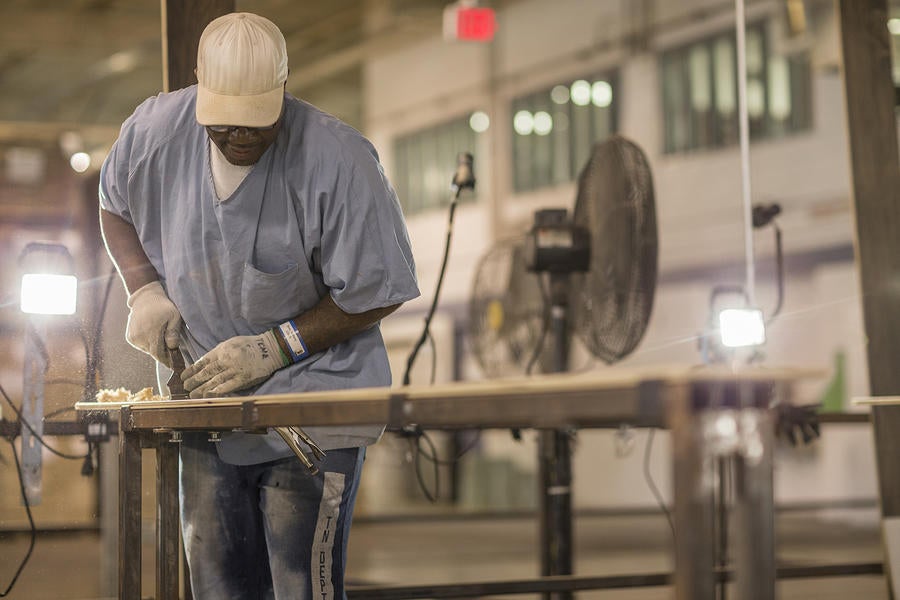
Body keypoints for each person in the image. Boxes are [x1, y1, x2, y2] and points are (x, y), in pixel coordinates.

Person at [98, 12, 420, 599]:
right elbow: (112, 202)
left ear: (284, 89)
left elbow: (378, 289)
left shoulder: (339, 160)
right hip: (208, 405)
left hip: (313, 404)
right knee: (219, 588)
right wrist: (142, 286)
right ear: (199, 92)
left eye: (258, 124)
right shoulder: (154, 132)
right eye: (223, 125)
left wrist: (278, 345)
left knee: (302, 588)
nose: (240, 136)